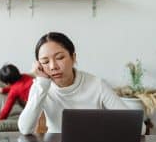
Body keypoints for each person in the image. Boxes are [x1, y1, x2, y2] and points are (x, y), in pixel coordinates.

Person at [18, 32, 146, 134]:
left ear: (73, 58)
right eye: (45, 62)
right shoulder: (41, 87)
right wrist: (42, 84)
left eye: (60, 58)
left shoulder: (97, 85)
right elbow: (25, 129)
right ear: (38, 66)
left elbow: (139, 128)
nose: (53, 66)